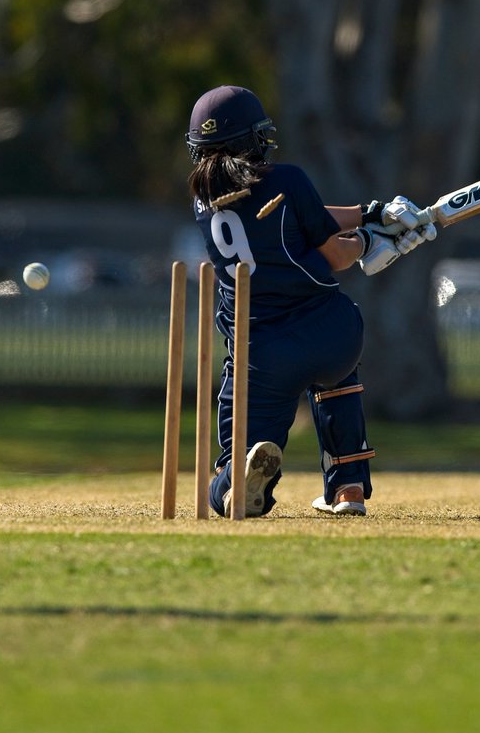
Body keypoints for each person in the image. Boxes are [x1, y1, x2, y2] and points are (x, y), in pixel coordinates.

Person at [185, 84, 436, 518]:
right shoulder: (288, 179)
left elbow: (303, 216)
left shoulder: (204, 201)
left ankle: (234, 482)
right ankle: (348, 488)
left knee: (235, 466)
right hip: (331, 334)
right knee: (337, 377)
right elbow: (336, 253)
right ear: (253, 138)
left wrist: (371, 212)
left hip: (262, 355)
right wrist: (375, 241)